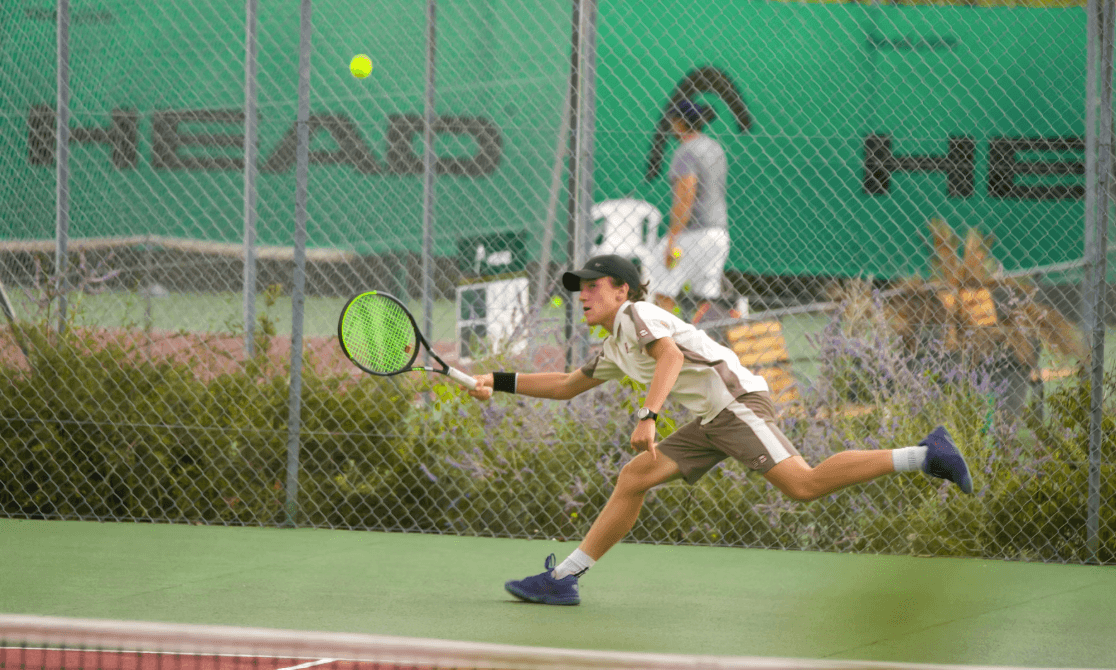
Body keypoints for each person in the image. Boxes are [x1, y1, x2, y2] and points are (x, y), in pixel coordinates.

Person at [468, 254, 973, 606]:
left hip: (736, 403)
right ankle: (564, 579)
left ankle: (926, 454)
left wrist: (648, 415)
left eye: (593, 286)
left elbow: (668, 355)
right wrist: (498, 379)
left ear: (621, 291)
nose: (583, 295)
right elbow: (564, 385)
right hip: (711, 419)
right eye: (579, 289)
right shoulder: (615, 344)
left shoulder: (639, 313)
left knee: (803, 483)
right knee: (633, 478)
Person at [648, 99, 732, 324]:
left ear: (678, 123)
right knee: (707, 299)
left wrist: (672, 238)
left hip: (692, 236)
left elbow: (686, 196)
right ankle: (709, 347)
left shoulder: (686, 152)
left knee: (661, 286)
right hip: (718, 235)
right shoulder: (715, 148)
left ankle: (662, 343)